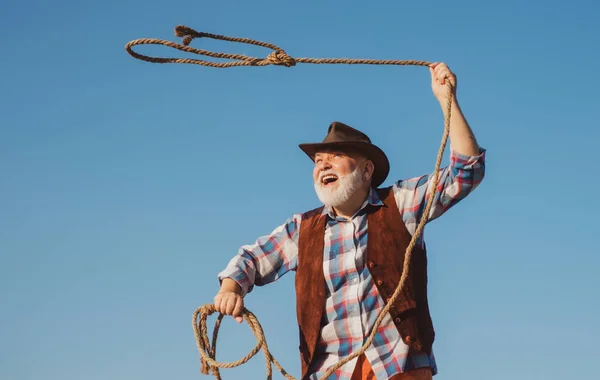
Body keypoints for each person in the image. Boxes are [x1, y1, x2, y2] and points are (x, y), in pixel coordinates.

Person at [213, 62, 486, 380]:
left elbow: (466, 173)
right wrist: (231, 289)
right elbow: (251, 259)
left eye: (334, 157)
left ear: (367, 170)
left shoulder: (399, 204)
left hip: (397, 367)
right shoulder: (302, 230)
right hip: (330, 372)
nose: (322, 165)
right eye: (318, 161)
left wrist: (446, 99)